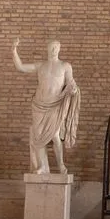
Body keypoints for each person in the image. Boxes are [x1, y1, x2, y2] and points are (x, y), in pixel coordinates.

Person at [12, 38, 81, 175]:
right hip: (39, 105)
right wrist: (14, 50)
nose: (54, 50)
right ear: (47, 49)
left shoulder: (65, 66)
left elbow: (71, 84)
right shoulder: (41, 65)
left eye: (56, 47)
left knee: (55, 135)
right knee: (38, 136)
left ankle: (61, 165)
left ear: (59, 49)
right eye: (51, 47)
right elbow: (21, 67)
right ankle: (42, 166)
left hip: (55, 104)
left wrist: (73, 90)